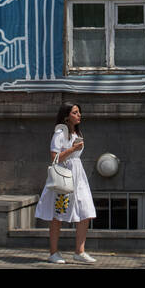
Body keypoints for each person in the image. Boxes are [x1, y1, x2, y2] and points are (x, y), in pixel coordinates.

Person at [35, 102, 96, 263]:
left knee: (85, 210)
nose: (79, 115)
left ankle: (79, 251)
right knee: (58, 213)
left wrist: (74, 150)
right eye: (75, 112)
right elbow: (54, 157)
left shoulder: (77, 133)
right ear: (66, 116)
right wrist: (72, 149)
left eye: (79, 112)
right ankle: (53, 252)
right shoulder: (59, 134)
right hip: (63, 177)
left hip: (78, 176)